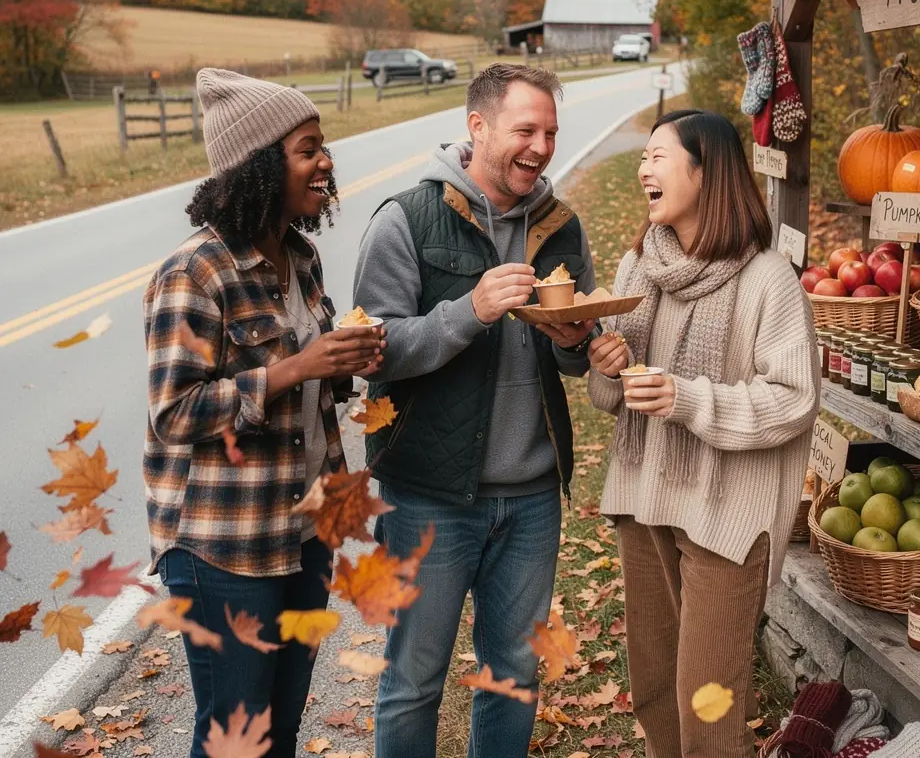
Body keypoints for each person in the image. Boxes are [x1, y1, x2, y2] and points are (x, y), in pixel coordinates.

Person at [352, 62, 597, 758]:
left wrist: (579, 341)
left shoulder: (561, 226)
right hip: (427, 494)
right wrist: (469, 311)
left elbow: (576, 354)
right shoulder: (406, 219)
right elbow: (373, 351)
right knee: (415, 679)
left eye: (551, 132)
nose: (542, 147)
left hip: (530, 499)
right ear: (478, 126)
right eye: (526, 129)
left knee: (514, 673)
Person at [143, 68, 385, 758]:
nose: (325, 163)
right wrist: (296, 368)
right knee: (234, 737)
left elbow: (314, 388)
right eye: (308, 149)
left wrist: (349, 362)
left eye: (323, 146)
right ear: (258, 165)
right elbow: (176, 412)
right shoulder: (195, 273)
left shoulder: (301, 258)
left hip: (303, 528)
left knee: (278, 731)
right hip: (225, 544)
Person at [587, 109, 820, 757]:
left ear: (705, 171)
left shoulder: (766, 279)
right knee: (656, 684)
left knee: (708, 700)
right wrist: (607, 366)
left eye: (658, 156)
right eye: (643, 158)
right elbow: (613, 396)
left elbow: (794, 399)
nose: (643, 169)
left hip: (726, 517)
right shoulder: (642, 266)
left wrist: (687, 399)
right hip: (645, 498)